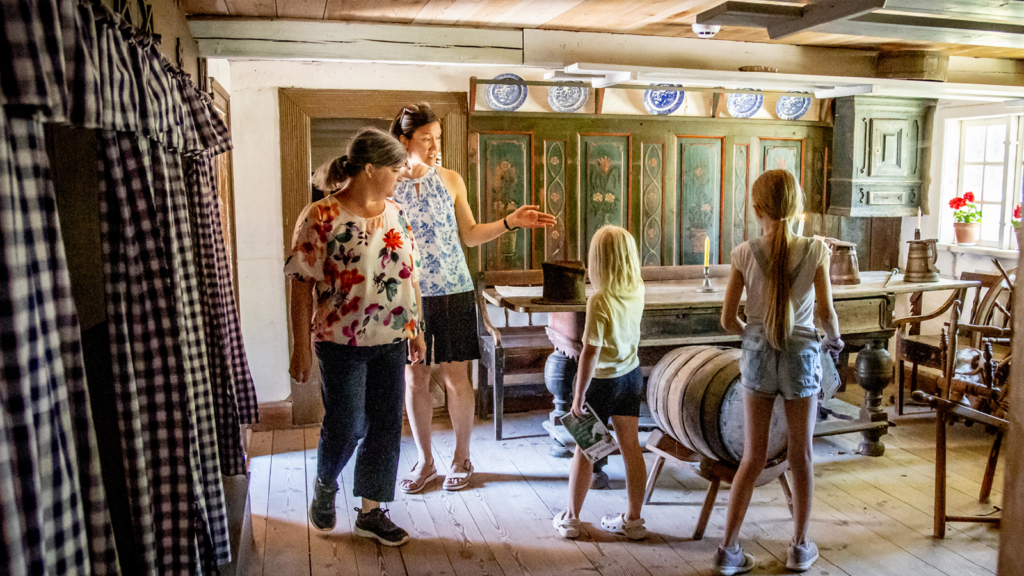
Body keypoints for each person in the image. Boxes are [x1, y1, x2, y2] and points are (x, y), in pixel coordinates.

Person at [390, 103, 556, 493]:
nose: (435, 146)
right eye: (426, 138)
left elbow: (469, 234)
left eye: (438, 138)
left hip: (453, 288)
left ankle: (461, 457)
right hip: (406, 292)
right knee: (414, 377)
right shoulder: (388, 184)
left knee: (454, 377)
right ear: (405, 141)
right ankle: (424, 460)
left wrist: (510, 221)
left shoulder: (450, 179)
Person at [286, 128, 427, 547]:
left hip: (391, 339)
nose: (401, 175)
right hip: (339, 341)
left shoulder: (396, 213)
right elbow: (300, 283)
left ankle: (371, 511)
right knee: (347, 424)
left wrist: (416, 328)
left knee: (385, 425)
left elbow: (410, 275)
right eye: (395, 168)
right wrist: (299, 347)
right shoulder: (320, 216)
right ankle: (326, 484)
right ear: (370, 168)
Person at [714, 169, 843, 575]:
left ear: (756, 209)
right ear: (797, 207)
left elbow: (726, 319)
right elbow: (825, 313)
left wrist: (751, 334)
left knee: (752, 458)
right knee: (801, 456)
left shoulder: (743, 252)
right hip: (802, 352)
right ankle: (800, 547)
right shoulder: (817, 250)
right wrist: (833, 340)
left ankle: (728, 550)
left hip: (756, 352)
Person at [552, 226, 648, 541]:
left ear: (598, 262)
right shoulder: (638, 287)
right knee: (632, 448)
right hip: (631, 376)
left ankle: (571, 518)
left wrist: (578, 395)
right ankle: (633, 520)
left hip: (602, 382)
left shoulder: (600, 299)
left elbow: (590, 353)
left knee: (585, 450)